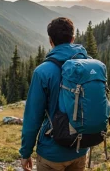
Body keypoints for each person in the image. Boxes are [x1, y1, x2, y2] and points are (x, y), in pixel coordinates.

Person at [20, 17, 89, 171]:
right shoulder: (88, 66)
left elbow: (33, 117)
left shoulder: (43, 72)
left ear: (50, 41)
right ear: (72, 39)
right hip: (81, 147)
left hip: (52, 152)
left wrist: (25, 152)